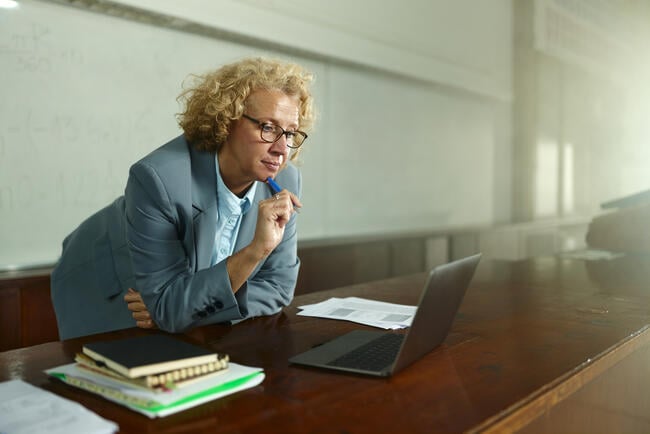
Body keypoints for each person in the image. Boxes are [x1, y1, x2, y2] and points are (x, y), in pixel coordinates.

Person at [51, 57, 315, 340]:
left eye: (290, 133)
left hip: (160, 299)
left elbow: (278, 288)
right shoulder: (157, 178)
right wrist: (255, 252)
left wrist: (181, 310)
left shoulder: (284, 182)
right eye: (268, 127)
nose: (281, 148)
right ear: (226, 121)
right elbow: (168, 306)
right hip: (104, 281)